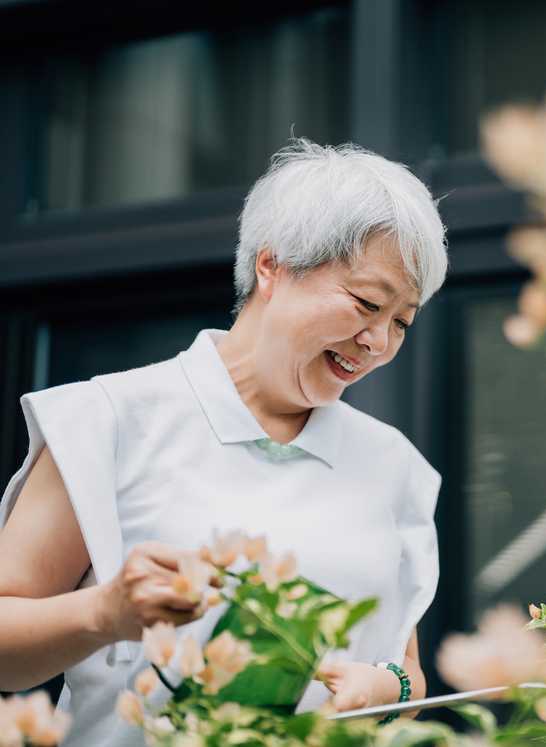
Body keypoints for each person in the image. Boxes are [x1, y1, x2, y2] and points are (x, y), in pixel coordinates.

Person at [0, 139, 448, 745]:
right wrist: (104, 614)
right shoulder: (106, 420)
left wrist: (385, 690)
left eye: (402, 320)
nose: (378, 342)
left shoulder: (392, 465)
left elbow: (407, 674)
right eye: (367, 303)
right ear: (272, 265)